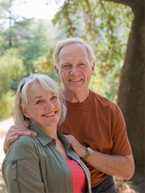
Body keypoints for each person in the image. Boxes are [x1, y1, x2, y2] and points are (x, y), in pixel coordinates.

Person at [4, 38, 135, 193]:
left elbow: (127, 170)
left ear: (92, 67)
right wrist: (9, 147)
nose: (74, 72)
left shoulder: (110, 110)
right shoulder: (47, 110)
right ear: (56, 69)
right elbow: (22, 154)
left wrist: (85, 152)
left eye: (81, 64)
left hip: (103, 187)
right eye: (67, 66)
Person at [2, 74, 92, 193]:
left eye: (53, 97)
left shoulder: (66, 143)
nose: (50, 106)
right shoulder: (24, 146)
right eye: (39, 101)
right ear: (25, 110)